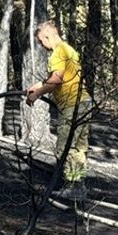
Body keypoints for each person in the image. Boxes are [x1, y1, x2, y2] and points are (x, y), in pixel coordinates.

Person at [25, 20, 91, 185]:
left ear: (47, 36)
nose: (42, 45)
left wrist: (36, 94)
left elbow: (56, 80)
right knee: (79, 147)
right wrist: (36, 86)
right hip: (83, 103)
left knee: (65, 148)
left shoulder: (58, 53)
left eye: (41, 41)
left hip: (71, 106)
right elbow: (57, 77)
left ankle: (72, 185)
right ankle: (78, 185)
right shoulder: (68, 50)